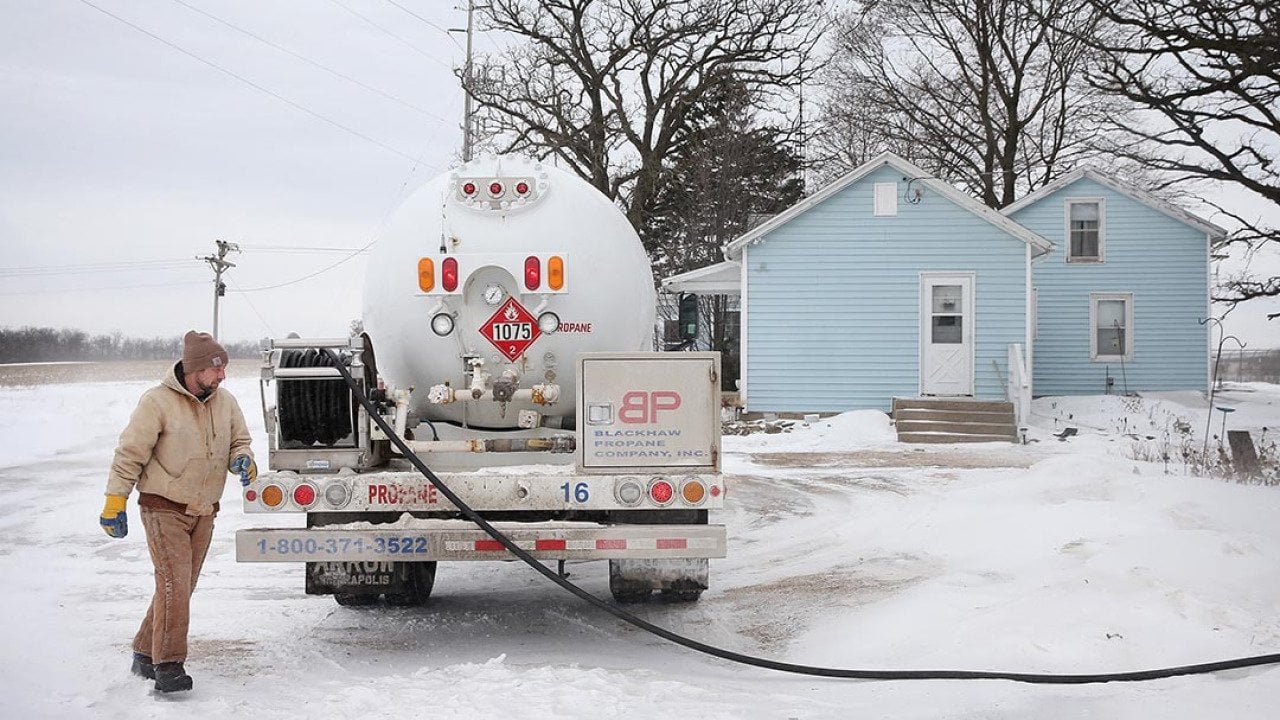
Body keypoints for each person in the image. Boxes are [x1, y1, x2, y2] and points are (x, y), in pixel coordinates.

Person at [98, 330, 255, 694]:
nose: (222, 376)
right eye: (217, 369)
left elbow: (239, 441)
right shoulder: (157, 402)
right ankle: (168, 665)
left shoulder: (225, 402)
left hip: (204, 510)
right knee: (174, 584)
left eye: (224, 369)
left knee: (181, 586)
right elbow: (129, 454)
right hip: (162, 506)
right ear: (195, 369)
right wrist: (114, 501)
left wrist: (242, 460)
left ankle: (142, 650)